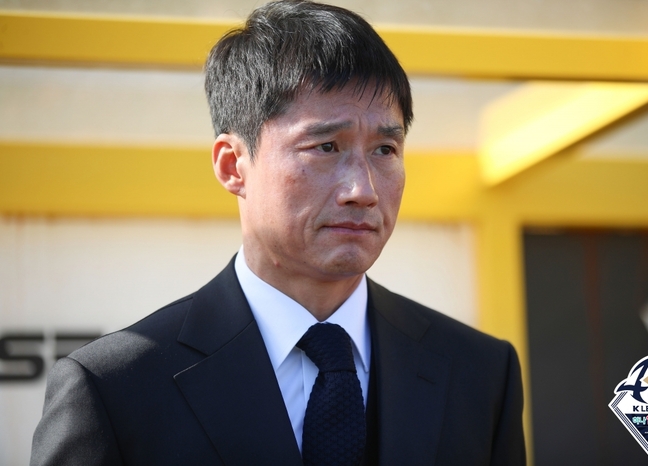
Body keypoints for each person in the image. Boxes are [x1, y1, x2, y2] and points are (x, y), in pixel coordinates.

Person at [30, 1, 525, 465]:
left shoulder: (481, 373)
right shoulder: (114, 389)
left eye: (385, 150)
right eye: (326, 147)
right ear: (233, 165)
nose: (363, 191)